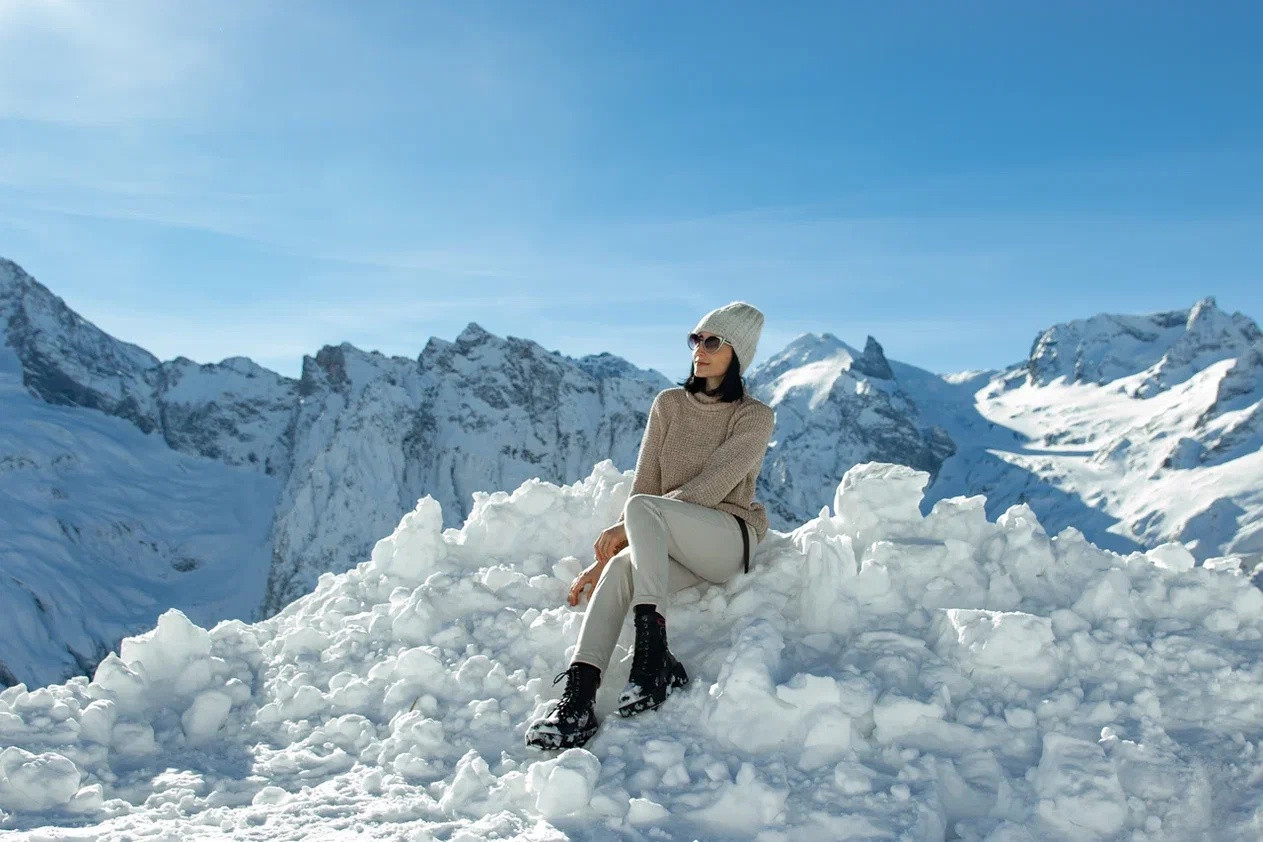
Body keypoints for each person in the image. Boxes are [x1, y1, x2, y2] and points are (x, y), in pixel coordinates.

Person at [525, 301, 776, 750]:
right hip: (665, 534)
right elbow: (646, 484)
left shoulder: (754, 415)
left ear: (738, 353)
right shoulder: (669, 405)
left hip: (727, 539)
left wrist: (629, 528)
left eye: (713, 341)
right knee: (622, 570)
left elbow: (711, 486)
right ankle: (577, 701)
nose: (700, 349)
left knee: (644, 510)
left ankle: (650, 659)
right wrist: (605, 559)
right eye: (695, 339)